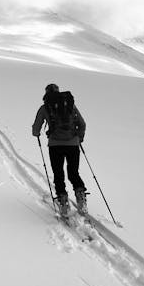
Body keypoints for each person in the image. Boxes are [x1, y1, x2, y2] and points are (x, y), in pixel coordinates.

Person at [32, 83, 87, 217]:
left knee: (58, 173)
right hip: (73, 144)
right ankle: (81, 199)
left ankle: (63, 203)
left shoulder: (45, 107)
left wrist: (37, 133)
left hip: (55, 145)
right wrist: (79, 138)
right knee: (73, 172)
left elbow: (36, 129)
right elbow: (82, 124)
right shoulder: (69, 105)